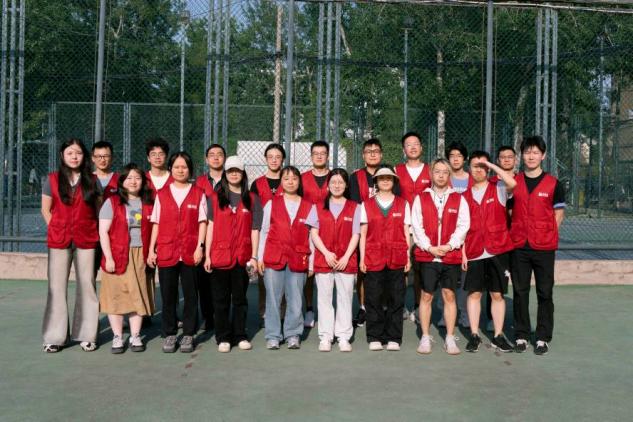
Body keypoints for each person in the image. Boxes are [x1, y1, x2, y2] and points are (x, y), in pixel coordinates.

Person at [41, 138, 100, 353]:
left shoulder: (93, 181)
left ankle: (87, 335)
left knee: (87, 285)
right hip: (59, 239)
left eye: (78, 153)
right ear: (62, 156)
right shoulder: (52, 180)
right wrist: (56, 227)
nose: (74, 157)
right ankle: (54, 337)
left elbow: (98, 210)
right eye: (70, 153)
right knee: (56, 288)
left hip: (87, 238)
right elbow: (45, 209)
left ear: (84, 156)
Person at [147, 152, 207, 353]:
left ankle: (189, 333)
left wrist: (200, 247)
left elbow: (203, 222)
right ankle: (170, 333)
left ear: (190, 169)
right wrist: (151, 250)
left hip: (190, 251)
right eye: (176, 167)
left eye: (184, 167)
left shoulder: (198, 193)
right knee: (168, 294)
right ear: (170, 169)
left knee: (191, 295)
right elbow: (156, 223)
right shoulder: (162, 194)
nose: (181, 170)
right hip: (167, 250)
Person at [510, 136, 565, 356]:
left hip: (544, 247)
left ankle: (542, 337)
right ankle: (521, 334)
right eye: (527, 152)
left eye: (535, 152)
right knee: (520, 291)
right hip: (519, 246)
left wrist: (547, 234)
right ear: (522, 155)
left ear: (543, 155)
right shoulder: (514, 182)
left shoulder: (554, 183)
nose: (531, 156)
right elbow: (509, 210)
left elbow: (559, 213)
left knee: (545, 292)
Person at [204, 156, 262, 353]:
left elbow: (255, 229)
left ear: (243, 173)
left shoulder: (252, 199)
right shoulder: (214, 198)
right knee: (220, 300)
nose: (234, 174)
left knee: (240, 299)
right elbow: (210, 227)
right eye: (230, 171)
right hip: (219, 257)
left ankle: (240, 335)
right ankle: (223, 337)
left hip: (242, 257)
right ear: (225, 174)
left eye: (237, 170)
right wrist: (207, 255)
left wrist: (254, 256)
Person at [412, 158, 469, 355]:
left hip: (449, 256)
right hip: (428, 256)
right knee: (426, 296)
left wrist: (449, 245)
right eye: (437, 171)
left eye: (445, 172)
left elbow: (463, 225)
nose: (441, 175)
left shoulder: (459, 199)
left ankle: (450, 338)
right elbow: (416, 226)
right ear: (431, 174)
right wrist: (429, 247)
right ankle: (425, 337)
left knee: (449, 295)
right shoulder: (421, 198)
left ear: (449, 175)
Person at [460, 151, 516, 353]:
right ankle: (474, 334)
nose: (479, 170)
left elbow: (513, 183)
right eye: (475, 166)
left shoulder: (498, 188)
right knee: (474, 293)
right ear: (469, 168)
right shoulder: (463, 197)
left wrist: (491, 165)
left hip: (498, 250)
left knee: (497, 294)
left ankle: (498, 335)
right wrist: (463, 253)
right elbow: (461, 227)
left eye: (483, 166)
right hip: (474, 250)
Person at [98, 163, 154, 354]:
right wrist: (109, 257)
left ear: (143, 181)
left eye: (137, 178)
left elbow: (156, 229)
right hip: (118, 253)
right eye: (129, 178)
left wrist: (152, 252)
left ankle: (135, 335)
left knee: (137, 294)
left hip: (140, 254)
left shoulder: (149, 202)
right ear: (122, 181)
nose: (133, 181)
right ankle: (117, 336)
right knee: (116, 296)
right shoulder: (112, 202)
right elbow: (103, 232)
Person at [257, 166, 312, 350]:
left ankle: (293, 334)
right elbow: (264, 231)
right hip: (274, 256)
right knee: (273, 298)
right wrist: (260, 257)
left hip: (298, 257)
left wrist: (311, 263)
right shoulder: (271, 204)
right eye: (286, 178)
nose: (290, 182)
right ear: (281, 181)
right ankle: (273, 335)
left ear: (299, 181)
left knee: (295, 298)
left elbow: (312, 236)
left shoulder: (308, 206)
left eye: (294, 178)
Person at [307, 168, 360, 352]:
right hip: (324, 260)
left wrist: (346, 257)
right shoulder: (317, 207)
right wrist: (327, 253)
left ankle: (343, 336)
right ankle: (326, 337)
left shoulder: (355, 207)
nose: (337, 185)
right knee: (324, 299)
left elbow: (356, 234)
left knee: (345, 298)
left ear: (346, 185)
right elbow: (314, 234)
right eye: (333, 182)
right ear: (328, 185)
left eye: (341, 182)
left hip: (346, 261)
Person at [359, 165, 411, 352]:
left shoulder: (403, 204)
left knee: (396, 298)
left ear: (394, 181)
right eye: (382, 178)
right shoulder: (366, 204)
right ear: (376, 182)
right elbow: (363, 234)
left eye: (389, 178)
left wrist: (407, 257)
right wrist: (362, 258)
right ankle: (375, 336)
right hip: (373, 257)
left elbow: (406, 232)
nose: (385, 181)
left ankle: (394, 337)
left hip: (397, 256)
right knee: (373, 298)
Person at [395, 131, 431, 323]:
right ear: (404, 149)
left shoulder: (431, 170)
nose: (413, 147)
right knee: (401, 266)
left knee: (420, 268)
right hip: (403, 226)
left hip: (425, 228)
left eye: (416, 143)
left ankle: (418, 306)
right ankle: (399, 306)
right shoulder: (396, 170)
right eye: (408, 144)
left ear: (421, 147)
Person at [349, 138, 386, 327]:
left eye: (376, 151)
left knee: (385, 270)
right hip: (363, 229)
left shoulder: (388, 174)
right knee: (362, 270)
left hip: (385, 230)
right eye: (368, 151)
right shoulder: (355, 177)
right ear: (363, 156)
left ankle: (382, 306)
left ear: (381, 154)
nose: (372, 154)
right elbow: (355, 204)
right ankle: (363, 307)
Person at [250, 143, 285, 324]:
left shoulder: (289, 180)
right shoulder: (257, 184)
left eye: (277, 157)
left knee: (284, 277)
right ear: (265, 159)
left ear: (283, 159)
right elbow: (253, 212)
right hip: (265, 236)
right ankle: (264, 312)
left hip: (284, 236)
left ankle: (283, 313)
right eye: (270, 157)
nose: (274, 160)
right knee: (264, 276)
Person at [440, 141, 471, 329]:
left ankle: (465, 314)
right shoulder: (443, 178)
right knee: (446, 276)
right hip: (445, 236)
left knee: (466, 277)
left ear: (465, 159)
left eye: (459, 155)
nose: (456, 159)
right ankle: (445, 314)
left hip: (469, 234)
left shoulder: (472, 179)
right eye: (452, 156)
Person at [195, 143, 226, 332]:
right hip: (203, 234)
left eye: (219, 154)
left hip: (224, 236)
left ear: (224, 158)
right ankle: (208, 317)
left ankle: (223, 316)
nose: (215, 157)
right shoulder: (199, 182)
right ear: (206, 159)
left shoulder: (231, 180)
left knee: (222, 282)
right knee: (203, 281)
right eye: (212, 155)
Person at [301, 140, 331, 329]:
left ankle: (329, 309)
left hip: (331, 229)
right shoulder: (302, 178)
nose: (319, 156)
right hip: (307, 230)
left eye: (323, 153)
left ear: (328, 156)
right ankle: (310, 308)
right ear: (311, 156)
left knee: (329, 270)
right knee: (309, 270)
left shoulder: (335, 177)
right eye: (316, 153)